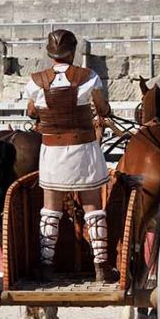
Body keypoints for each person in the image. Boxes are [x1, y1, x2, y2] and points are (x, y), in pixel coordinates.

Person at [24, 29, 117, 283]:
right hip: (83, 150)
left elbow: (32, 111)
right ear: (73, 52)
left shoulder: (36, 81)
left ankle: (46, 266)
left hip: (52, 152)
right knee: (93, 209)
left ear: (49, 53)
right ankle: (101, 267)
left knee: (50, 211)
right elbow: (102, 108)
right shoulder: (89, 77)